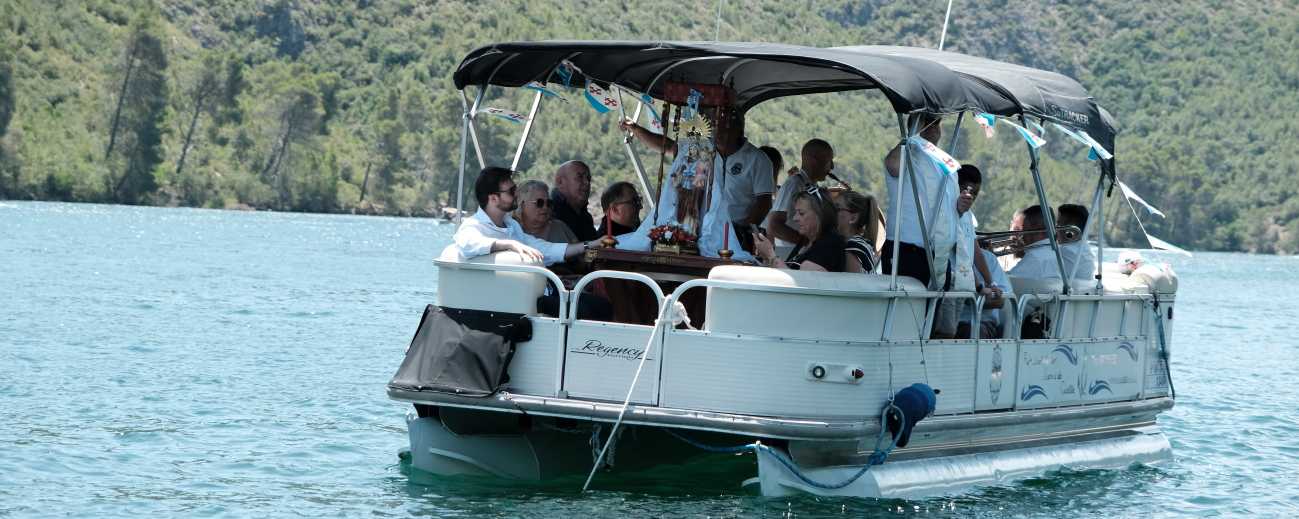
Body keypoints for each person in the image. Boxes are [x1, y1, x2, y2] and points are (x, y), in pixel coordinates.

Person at [620, 108, 774, 245]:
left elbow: (764, 202)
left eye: (724, 127)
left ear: (739, 128)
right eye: (714, 126)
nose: (717, 131)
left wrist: (742, 231)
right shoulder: (702, 149)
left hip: (736, 233)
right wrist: (635, 129)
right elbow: (668, 146)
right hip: (701, 231)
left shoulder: (758, 160)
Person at [445, 167, 593, 265]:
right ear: (493, 198)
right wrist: (509, 244)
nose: (516, 194)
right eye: (511, 191)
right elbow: (467, 243)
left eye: (515, 189)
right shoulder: (473, 226)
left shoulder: (512, 226)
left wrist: (592, 244)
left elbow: (546, 249)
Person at [880, 113, 959, 288]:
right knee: (903, 309)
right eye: (927, 123)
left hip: (938, 251)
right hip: (906, 247)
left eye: (936, 123)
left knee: (932, 310)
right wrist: (912, 136)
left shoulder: (945, 163)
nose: (933, 128)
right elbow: (893, 167)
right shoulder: (904, 153)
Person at [752, 187, 852, 272]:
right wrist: (766, 257)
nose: (795, 218)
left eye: (801, 213)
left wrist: (771, 255)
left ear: (820, 215)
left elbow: (801, 284)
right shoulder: (808, 242)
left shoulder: (830, 244)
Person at [768, 139, 834, 247]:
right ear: (813, 159)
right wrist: (809, 243)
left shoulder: (810, 185)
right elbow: (774, 225)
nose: (832, 166)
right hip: (791, 257)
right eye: (829, 160)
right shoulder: (794, 184)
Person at [957, 245, 1013, 339]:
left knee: (973, 331)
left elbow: (1001, 300)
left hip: (979, 323)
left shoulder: (989, 258)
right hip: (942, 322)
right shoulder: (938, 255)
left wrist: (968, 300)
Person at [514, 180, 579, 244]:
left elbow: (581, 251)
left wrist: (588, 246)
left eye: (548, 203)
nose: (545, 207)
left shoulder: (560, 226)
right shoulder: (512, 230)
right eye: (539, 203)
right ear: (522, 204)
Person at [550, 160, 600, 242]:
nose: (587, 182)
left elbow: (591, 252)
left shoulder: (585, 216)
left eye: (588, 178)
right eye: (580, 177)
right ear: (560, 182)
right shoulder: (549, 213)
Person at [1008, 205, 1060, 280]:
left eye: (1025, 228)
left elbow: (1007, 282)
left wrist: (990, 259)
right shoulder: (1058, 250)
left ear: (1036, 227)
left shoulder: (1034, 256)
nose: (1022, 235)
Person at [835, 190, 881, 273]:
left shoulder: (853, 247)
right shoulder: (861, 243)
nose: (832, 211)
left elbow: (852, 283)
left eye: (837, 208)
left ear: (853, 218)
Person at [1057, 203, 1096, 282]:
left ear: (1070, 230)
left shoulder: (1065, 251)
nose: (1056, 228)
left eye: (1058, 224)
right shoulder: (1085, 249)